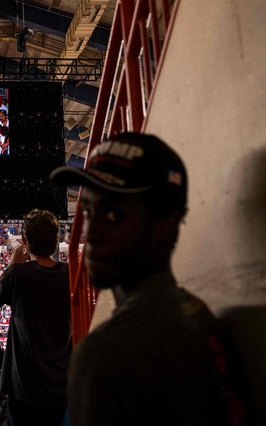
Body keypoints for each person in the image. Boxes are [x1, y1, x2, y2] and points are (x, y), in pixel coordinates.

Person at [50, 132, 243, 426]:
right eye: (89, 211)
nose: (93, 233)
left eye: (114, 214)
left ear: (165, 223)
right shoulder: (196, 313)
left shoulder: (104, 355)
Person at [0, 210, 72, 426]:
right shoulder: (71, 275)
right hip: (62, 386)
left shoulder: (18, 274)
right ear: (56, 240)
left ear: (24, 241)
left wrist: (13, 265)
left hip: (23, 389)